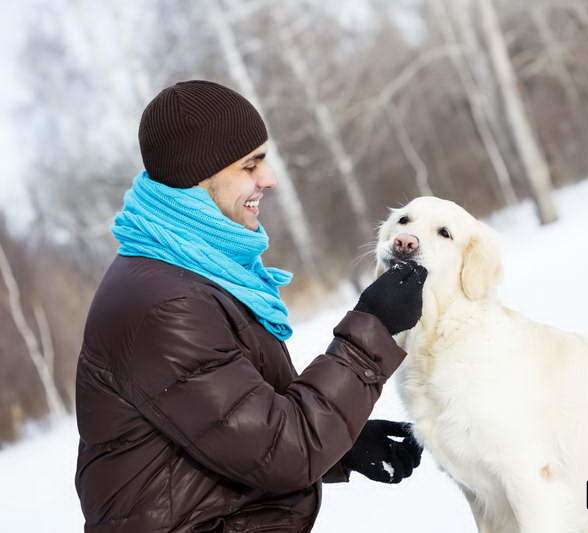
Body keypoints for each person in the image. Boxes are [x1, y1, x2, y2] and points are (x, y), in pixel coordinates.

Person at [74, 80, 428, 533]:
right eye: (250, 165)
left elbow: (239, 432)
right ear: (197, 176)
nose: (268, 179)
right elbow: (283, 451)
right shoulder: (165, 306)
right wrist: (371, 331)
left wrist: (342, 444)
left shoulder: (187, 271)